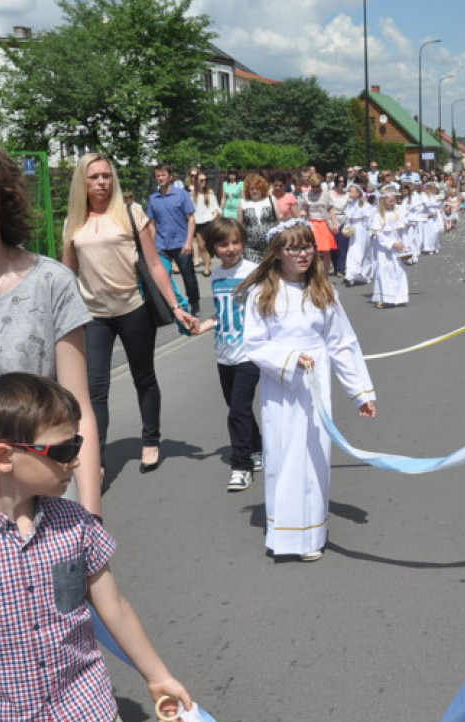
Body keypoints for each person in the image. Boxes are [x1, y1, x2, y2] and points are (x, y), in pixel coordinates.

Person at [0, 131, 105, 722]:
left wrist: (85, 514)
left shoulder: (49, 285)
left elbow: (78, 410)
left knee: (33, 648)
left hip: (31, 483)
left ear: (1, 200)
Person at [0, 372, 191, 722]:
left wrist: (157, 675)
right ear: (3, 457)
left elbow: (114, 606)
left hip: (87, 710)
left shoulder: (75, 523)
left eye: (76, 444)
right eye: (63, 451)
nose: (76, 460)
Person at [240, 221, 376, 560]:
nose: (301, 254)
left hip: (316, 384)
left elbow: (342, 343)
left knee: (315, 454)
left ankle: (312, 535)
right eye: (293, 248)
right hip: (281, 386)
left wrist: (360, 391)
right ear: (277, 253)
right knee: (284, 454)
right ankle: (284, 536)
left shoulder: (323, 292)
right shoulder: (262, 294)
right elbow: (254, 344)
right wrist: (287, 358)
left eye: (306, 247)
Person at [64, 153, 197, 475]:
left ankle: (150, 440)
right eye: (94, 177)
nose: (101, 182)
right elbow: (68, 272)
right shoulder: (74, 221)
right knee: (95, 388)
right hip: (94, 314)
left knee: (143, 377)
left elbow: (154, 263)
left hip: (133, 308)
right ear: (83, 181)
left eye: (106, 176)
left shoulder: (130, 213)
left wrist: (177, 307)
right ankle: (96, 459)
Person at [195, 218, 263, 491]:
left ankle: (241, 465)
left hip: (249, 354)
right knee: (240, 409)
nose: (231, 248)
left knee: (237, 410)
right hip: (224, 353)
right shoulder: (218, 276)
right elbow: (223, 314)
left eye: (236, 242)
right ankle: (256, 448)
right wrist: (203, 326)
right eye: (223, 244)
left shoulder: (254, 272)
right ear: (212, 247)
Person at [147, 164, 199, 315]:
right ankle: (172, 305)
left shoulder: (181, 195)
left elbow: (191, 219)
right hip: (161, 244)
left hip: (181, 243)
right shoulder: (153, 198)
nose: (160, 178)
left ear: (170, 177)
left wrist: (188, 242)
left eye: (163, 175)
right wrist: (151, 245)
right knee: (162, 276)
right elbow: (151, 224)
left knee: (188, 277)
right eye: (158, 176)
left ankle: (194, 302)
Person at [369, 187, 411, 308]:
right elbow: (379, 234)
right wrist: (391, 243)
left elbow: (401, 230)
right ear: (383, 201)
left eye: (394, 201)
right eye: (390, 201)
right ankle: (381, 298)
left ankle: (398, 296)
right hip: (384, 247)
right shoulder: (378, 215)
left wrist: (403, 244)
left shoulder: (397, 213)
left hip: (396, 246)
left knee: (397, 270)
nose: (393, 203)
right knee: (383, 270)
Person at [298, 174, 339, 276]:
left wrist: (334, 223)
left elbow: (331, 209)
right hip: (311, 223)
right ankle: (314, 273)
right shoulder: (306, 195)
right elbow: (305, 210)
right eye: (313, 186)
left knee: (326, 251)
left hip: (324, 223)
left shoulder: (326, 194)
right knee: (312, 250)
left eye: (317, 186)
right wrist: (302, 213)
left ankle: (325, 274)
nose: (315, 188)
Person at [237, 173, 279, 264]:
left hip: (270, 246)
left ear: (262, 189)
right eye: (252, 189)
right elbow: (239, 226)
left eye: (257, 188)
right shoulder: (243, 202)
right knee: (254, 273)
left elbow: (280, 220)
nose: (254, 191)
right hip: (250, 247)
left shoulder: (271, 199)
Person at [342, 184, 374, 287]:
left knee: (359, 252)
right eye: (349, 191)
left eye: (352, 191)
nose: (350, 193)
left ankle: (359, 273)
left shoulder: (364, 205)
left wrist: (370, 231)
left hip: (362, 231)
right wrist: (346, 228)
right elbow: (348, 219)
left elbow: (369, 219)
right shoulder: (349, 205)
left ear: (358, 193)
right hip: (353, 231)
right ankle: (350, 274)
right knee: (352, 252)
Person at [191, 171, 220, 277]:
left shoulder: (209, 193)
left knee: (205, 244)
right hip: (197, 221)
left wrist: (215, 215)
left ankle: (207, 267)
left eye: (205, 180)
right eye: (201, 180)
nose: (203, 182)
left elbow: (215, 207)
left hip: (208, 221)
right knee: (200, 246)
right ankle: (207, 262)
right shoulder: (192, 194)